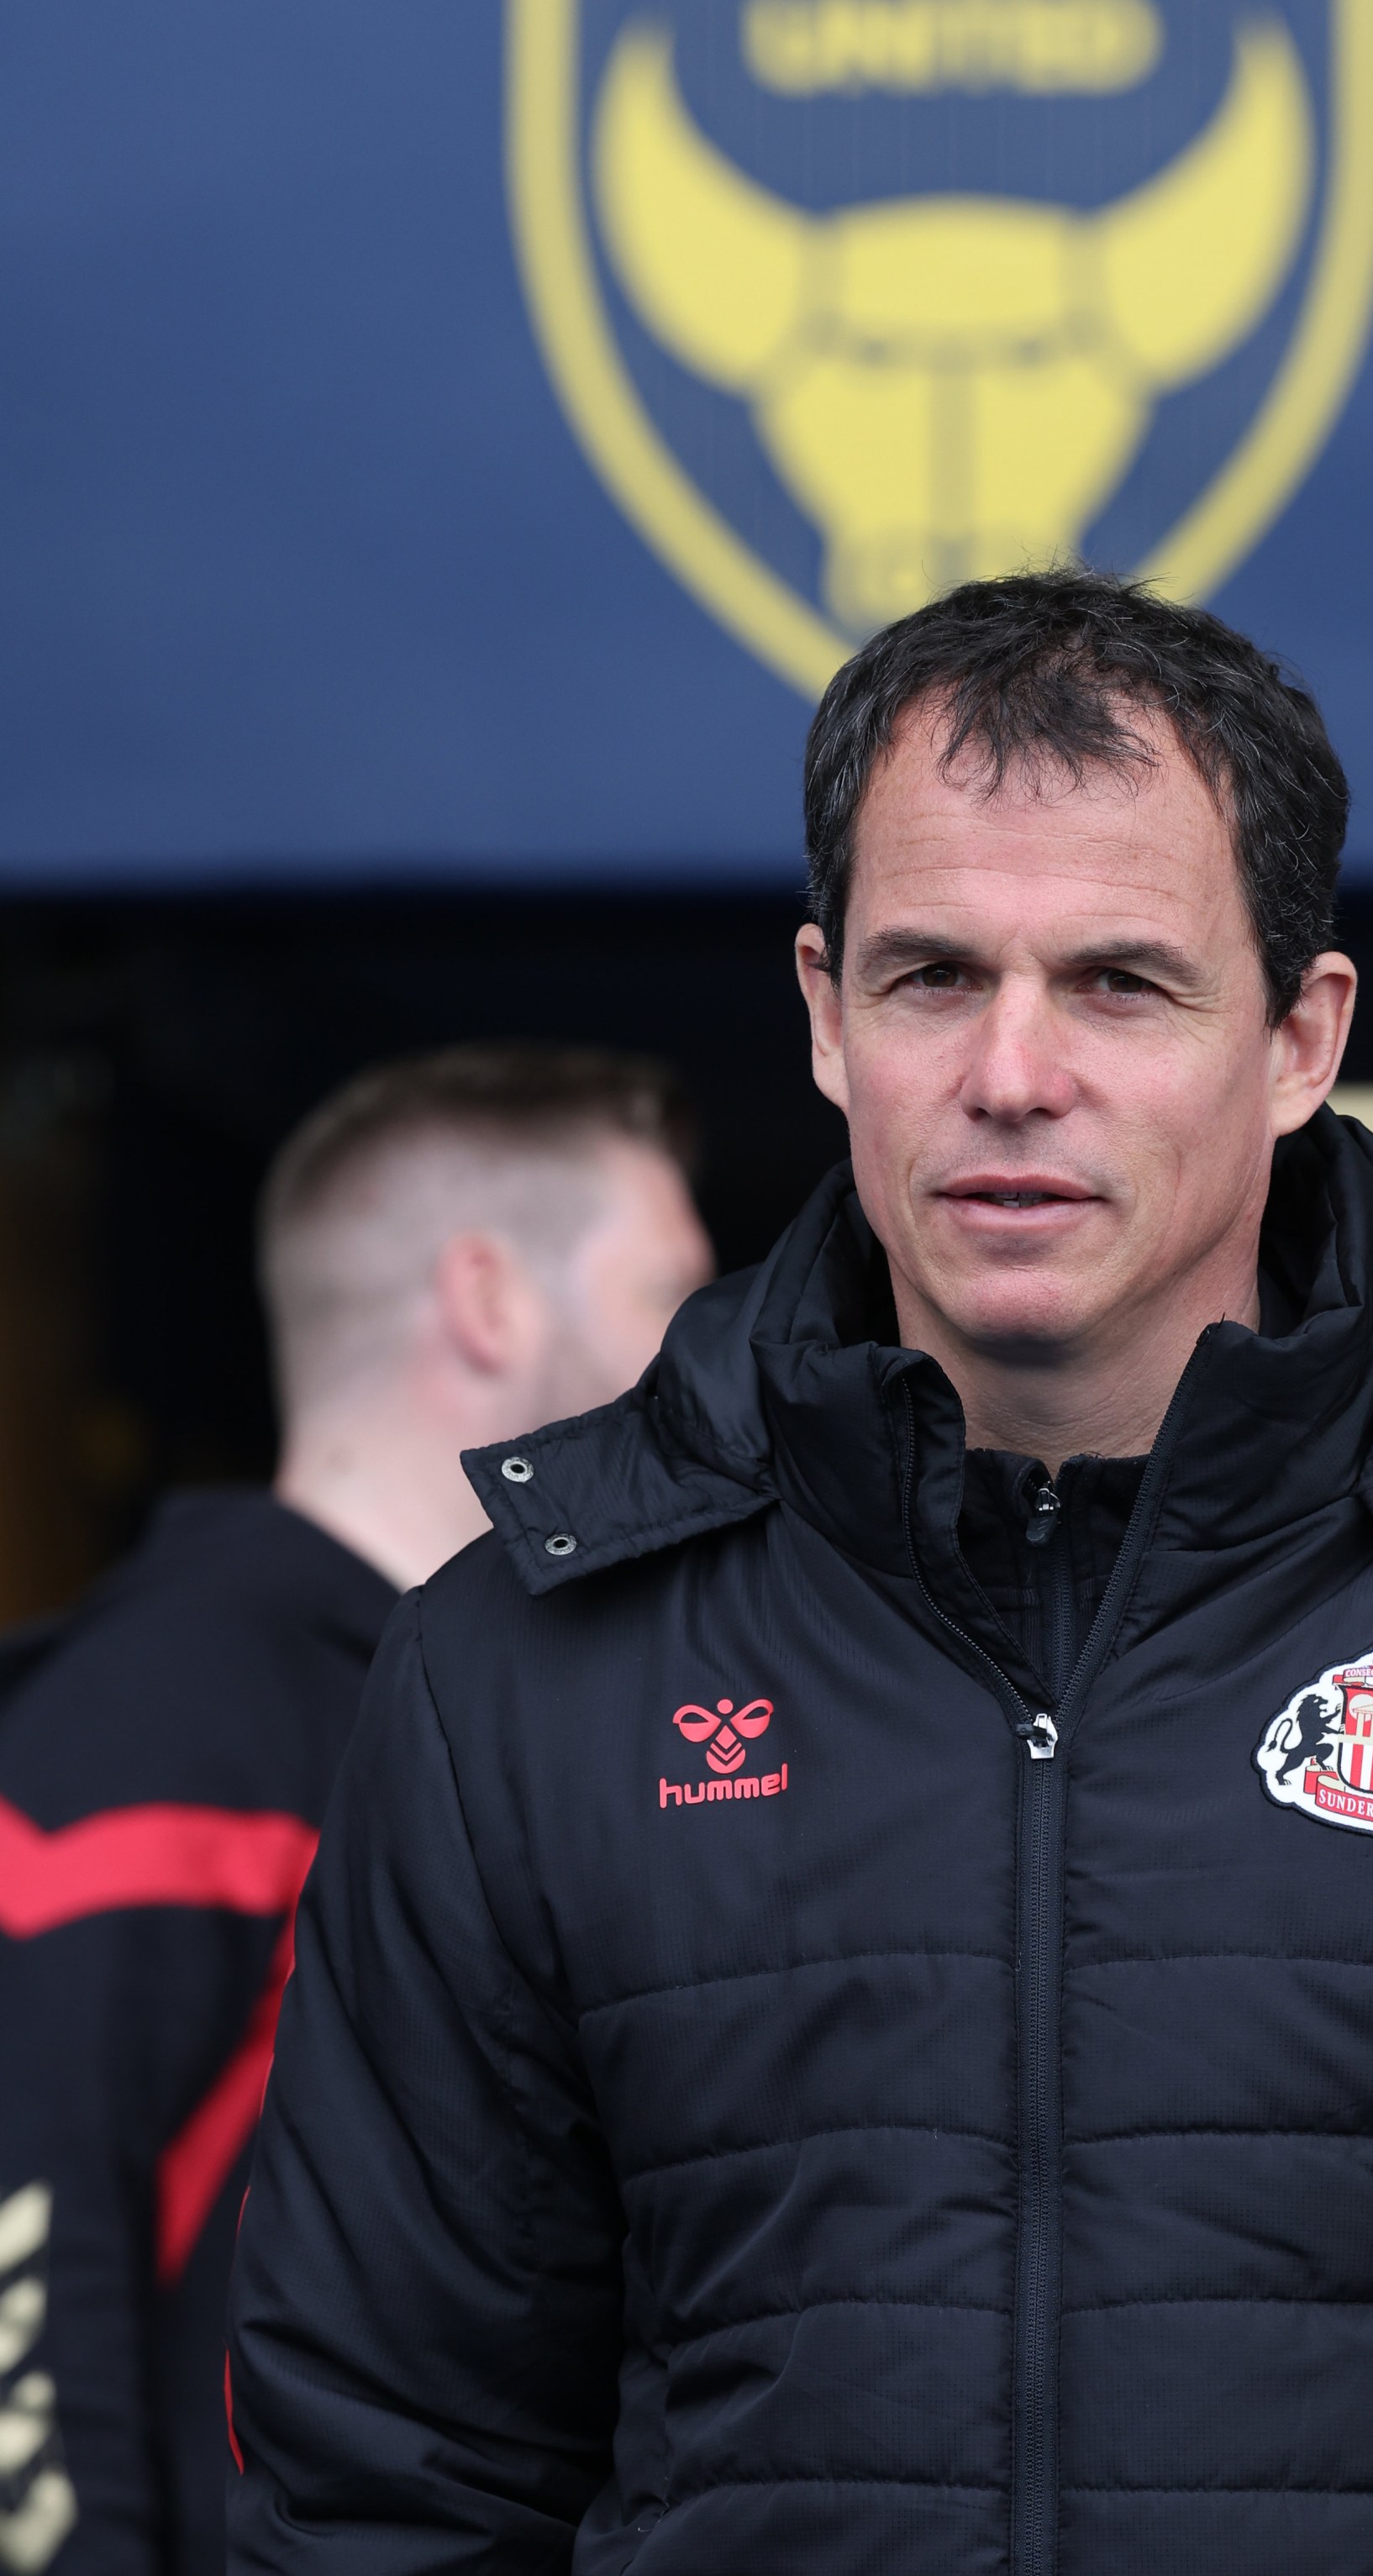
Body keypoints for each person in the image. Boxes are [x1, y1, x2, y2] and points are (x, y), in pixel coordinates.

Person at [226, 576, 1373, 2576]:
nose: (1012, 1068)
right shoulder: (527, 1662)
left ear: (1298, 1036)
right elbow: (382, 2484)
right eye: (931, 977)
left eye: (1119, 983)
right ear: (825, 1016)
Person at [0, 1044, 714, 2576]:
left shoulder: (522, 1715)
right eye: (668, 1295)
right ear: (487, 1298)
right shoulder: (153, 1727)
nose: (705, 1365)